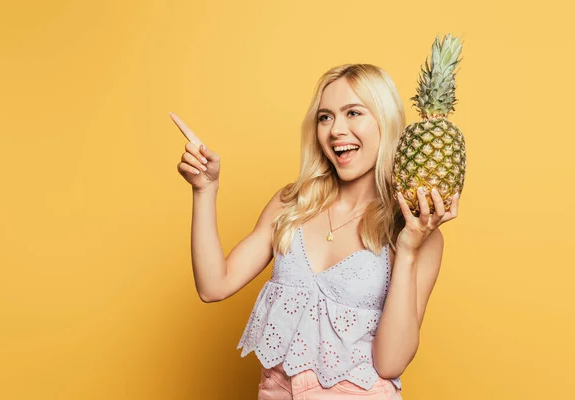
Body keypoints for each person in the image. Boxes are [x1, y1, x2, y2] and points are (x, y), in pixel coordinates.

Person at [172, 63, 459, 399]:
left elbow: (391, 363)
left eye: (353, 113)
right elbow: (213, 285)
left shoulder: (415, 232)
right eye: (325, 117)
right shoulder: (291, 204)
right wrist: (205, 190)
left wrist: (408, 251)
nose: (336, 129)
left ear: (386, 121)